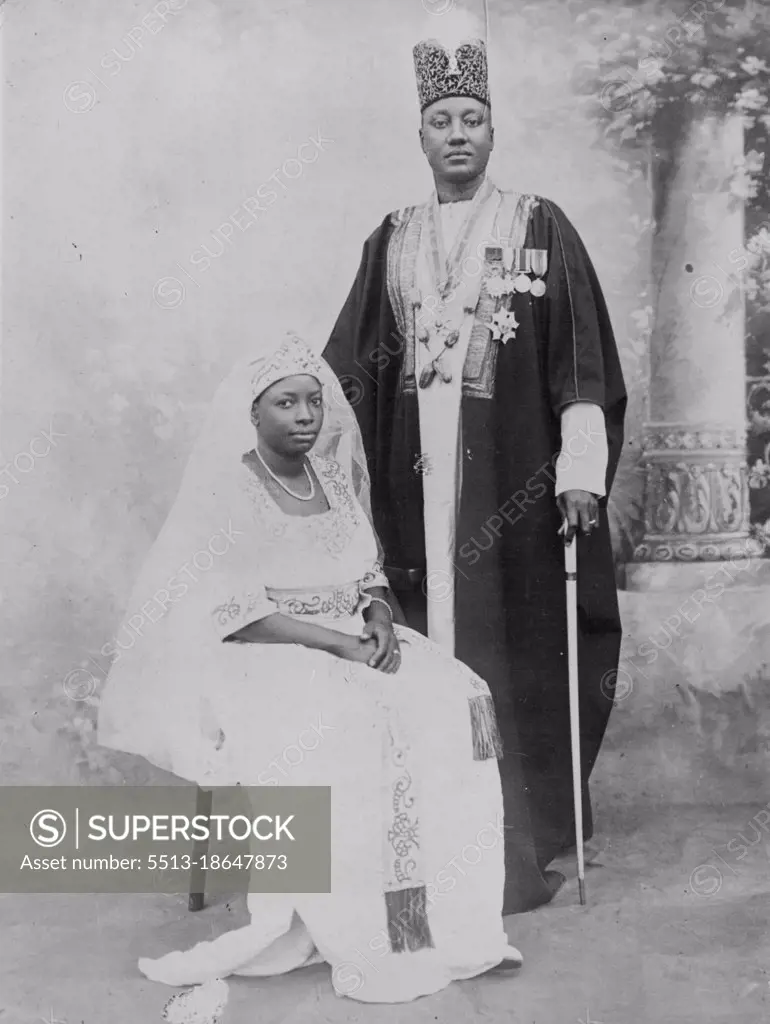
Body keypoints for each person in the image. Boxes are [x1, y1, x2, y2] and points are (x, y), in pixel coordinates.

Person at [97, 332, 524, 1005]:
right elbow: (234, 614)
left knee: (456, 699)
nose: (304, 416)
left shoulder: (331, 478)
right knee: (349, 723)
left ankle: (447, 923)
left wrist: (379, 618)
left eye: (313, 403)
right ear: (253, 412)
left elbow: (367, 572)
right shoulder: (227, 493)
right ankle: (367, 929)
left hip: (352, 636)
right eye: (285, 403)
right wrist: (335, 645)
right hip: (263, 654)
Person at [322, 28, 627, 913]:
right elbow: (351, 367)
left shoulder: (540, 225)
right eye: (442, 121)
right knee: (421, 648)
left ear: (494, 134)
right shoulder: (392, 237)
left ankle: (515, 843)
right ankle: (423, 838)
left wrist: (579, 471)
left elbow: (581, 365)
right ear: (420, 137)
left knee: (514, 648)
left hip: (512, 485)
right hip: (411, 487)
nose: (458, 134)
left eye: (474, 119)